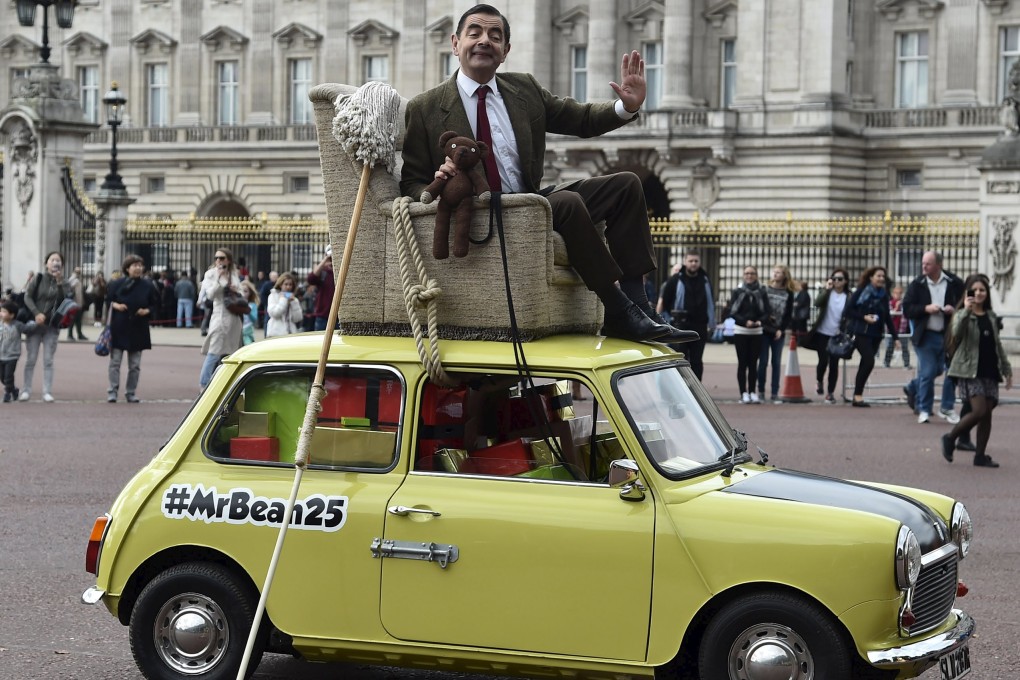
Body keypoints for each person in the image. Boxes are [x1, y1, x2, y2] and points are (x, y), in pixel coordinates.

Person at [400, 4, 686, 344]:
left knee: (626, 185)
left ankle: (640, 306)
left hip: (529, 202)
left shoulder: (524, 89)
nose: (484, 41)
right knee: (563, 203)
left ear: (505, 51)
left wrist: (627, 107)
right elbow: (411, 182)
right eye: (474, 33)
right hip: (485, 211)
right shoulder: (426, 107)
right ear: (455, 43)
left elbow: (578, 117)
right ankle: (617, 309)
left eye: (495, 36)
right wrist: (441, 181)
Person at [941, 274, 1012, 467]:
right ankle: (950, 437)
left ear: (987, 293)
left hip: (989, 370)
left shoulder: (990, 316)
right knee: (979, 410)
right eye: (975, 290)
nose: (979, 293)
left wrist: (1007, 369)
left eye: (982, 290)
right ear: (968, 293)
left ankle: (980, 455)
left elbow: (997, 345)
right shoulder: (963, 314)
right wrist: (966, 309)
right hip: (968, 370)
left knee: (987, 414)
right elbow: (956, 332)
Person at [903, 251, 964, 424]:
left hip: (949, 335)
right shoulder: (917, 284)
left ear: (938, 265)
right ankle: (924, 408)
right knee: (929, 372)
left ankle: (946, 407)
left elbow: (966, 302)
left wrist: (955, 310)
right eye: (923, 263)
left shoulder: (954, 282)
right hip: (926, 335)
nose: (924, 266)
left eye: (928, 264)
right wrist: (925, 309)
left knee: (950, 371)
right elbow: (907, 308)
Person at [106, 254, 160, 403]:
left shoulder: (148, 285)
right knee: (115, 362)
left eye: (140, 265)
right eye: (134, 265)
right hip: (119, 326)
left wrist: (147, 311)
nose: (138, 268)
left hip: (138, 327)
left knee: (135, 365)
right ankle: (112, 391)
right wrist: (115, 305)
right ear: (127, 268)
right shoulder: (117, 283)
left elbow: (155, 304)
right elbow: (108, 300)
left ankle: (131, 392)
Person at [20, 251, 71, 403]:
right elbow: (27, 296)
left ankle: (47, 391)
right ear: (46, 263)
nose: (56, 263)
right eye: (52, 260)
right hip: (36, 324)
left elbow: (66, 299)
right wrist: (36, 313)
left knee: (48, 360)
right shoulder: (39, 278)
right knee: (31, 359)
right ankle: (26, 390)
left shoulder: (64, 281)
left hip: (52, 326)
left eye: (58, 260)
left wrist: (60, 283)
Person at [656, 249, 714, 380]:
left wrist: (711, 322)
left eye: (696, 261)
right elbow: (665, 301)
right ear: (685, 262)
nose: (693, 263)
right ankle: (682, 388)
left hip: (700, 326)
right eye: (690, 261)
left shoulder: (705, 280)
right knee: (680, 359)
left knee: (697, 361)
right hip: (680, 326)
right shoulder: (675, 280)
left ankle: (696, 388)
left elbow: (710, 302)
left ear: (699, 262)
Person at [844, 266, 896, 407]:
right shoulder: (861, 292)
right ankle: (858, 395)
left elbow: (887, 317)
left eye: (883, 276)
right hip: (861, 332)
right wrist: (863, 317)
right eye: (878, 276)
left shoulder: (883, 294)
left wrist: (895, 336)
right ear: (871, 277)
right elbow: (848, 310)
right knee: (869, 361)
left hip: (876, 334)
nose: (881, 279)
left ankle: (857, 395)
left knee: (865, 363)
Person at [199, 248, 244, 389]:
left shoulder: (234, 274)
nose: (219, 260)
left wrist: (235, 289)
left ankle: (224, 384)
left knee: (230, 353)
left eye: (222, 258)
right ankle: (204, 384)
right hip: (219, 317)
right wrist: (219, 279)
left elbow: (242, 293)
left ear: (228, 260)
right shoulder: (210, 274)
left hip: (234, 317)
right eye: (217, 257)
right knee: (214, 351)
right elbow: (210, 295)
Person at [725, 266, 771, 403]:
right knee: (742, 363)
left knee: (753, 364)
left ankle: (752, 391)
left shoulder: (762, 291)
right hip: (741, 331)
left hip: (757, 331)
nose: (749, 276)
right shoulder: (737, 291)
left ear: (756, 275)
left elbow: (767, 311)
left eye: (752, 273)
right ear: (743, 275)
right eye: (747, 273)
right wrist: (745, 322)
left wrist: (758, 321)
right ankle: (743, 393)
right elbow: (732, 312)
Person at [809, 268, 851, 404]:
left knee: (834, 364)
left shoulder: (848, 296)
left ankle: (830, 392)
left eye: (840, 279)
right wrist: (826, 289)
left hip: (837, 334)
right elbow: (816, 303)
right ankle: (819, 380)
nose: (836, 281)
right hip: (823, 332)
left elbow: (851, 313)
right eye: (834, 278)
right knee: (823, 361)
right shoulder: (827, 293)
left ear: (845, 281)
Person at [756, 264, 794, 403]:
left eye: (779, 272)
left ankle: (774, 392)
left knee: (776, 362)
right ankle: (760, 390)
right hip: (765, 330)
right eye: (774, 272)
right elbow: (762, 310)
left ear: (784, 275)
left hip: (779, 332)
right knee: (763, 361)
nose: (776, 274)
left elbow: (788, 314)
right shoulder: (765, 289)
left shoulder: (788, 293)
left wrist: (781, 330)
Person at [1, 300, 36, 402]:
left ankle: (7, 393)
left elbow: (27, 329)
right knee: (2, 377)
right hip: (1, 355)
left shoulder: (17, 325)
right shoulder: (0, 324)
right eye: (1, 311)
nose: (1, 314)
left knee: (8, 376)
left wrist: (33, 323)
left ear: (12, 315)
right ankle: (14, 390)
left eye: (4, 312)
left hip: (12, 355)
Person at [307, 247, 337, 332]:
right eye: (330, 259)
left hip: (339, 317)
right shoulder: (323, 273)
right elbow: (311, 279)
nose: (332, 262)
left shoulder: (340, 273)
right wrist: (325, 261)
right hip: (323, 316)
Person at [266, 273, 304, 338]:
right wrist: (283, 300)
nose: (288, 287)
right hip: (275, 333)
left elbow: (298, 318)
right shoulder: (273, 296)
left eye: (290, 285)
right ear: (281, 285)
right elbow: (274, 314)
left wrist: (294, 303)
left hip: (290, 334)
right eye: (286, 284)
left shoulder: (294, 299)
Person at [884, 285, 911, 369]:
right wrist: (896, 307)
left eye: (900, 293)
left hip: (902, 329)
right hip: (892, 330)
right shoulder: (890, 303)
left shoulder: (904, 303)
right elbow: (889, 316)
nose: (898, 295)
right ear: (893, 293)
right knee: (890, 347)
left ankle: (906, 364)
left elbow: (907, 314)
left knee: (904, 347)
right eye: (896, 293)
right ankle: (886, 362)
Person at [65, 266, 88, 341]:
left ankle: (79, 334)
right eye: (77, 271)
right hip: (74, 303)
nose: (79, 273)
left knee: (78, 320)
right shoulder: (74, 280)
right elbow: (75, 293)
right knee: (73, 319)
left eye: (79, 271)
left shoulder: (75, 279)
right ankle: (70, 335)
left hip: (77, 303)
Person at [241, 279, 260, 346]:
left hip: (247, 332)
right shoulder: (236, 304)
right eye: (241, 291)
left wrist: (248, 311)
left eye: (246, 291)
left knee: (247, 347)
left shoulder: (252, 305)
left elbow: (254, 319)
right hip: (237, 332)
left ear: (250, 293)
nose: (243, 294)